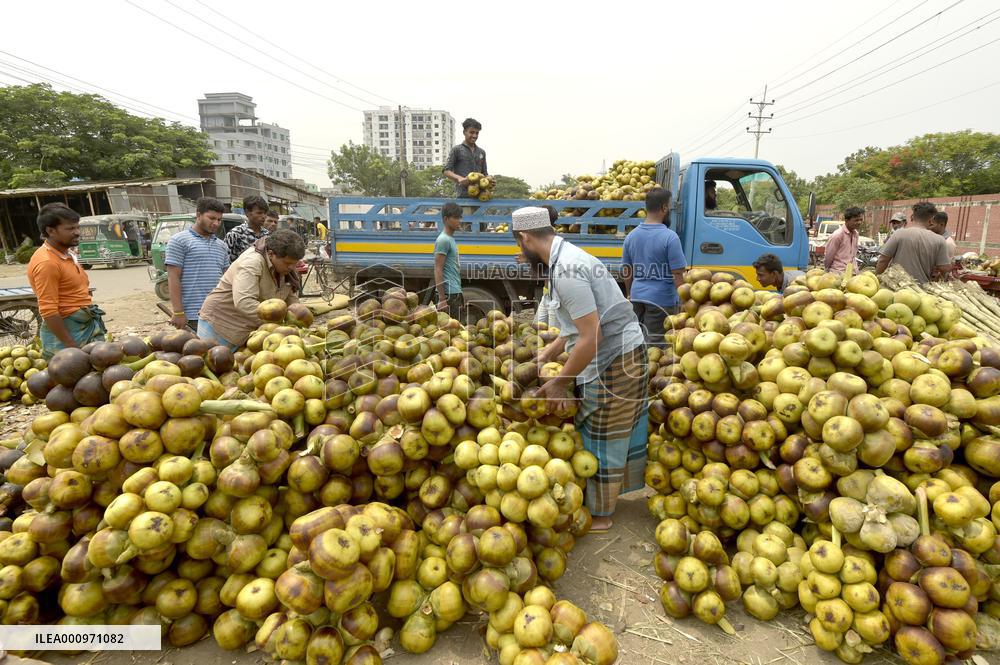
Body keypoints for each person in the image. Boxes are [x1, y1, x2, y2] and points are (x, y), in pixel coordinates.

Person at [512, 206, 647, 532]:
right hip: (613, 349)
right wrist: (547, 355)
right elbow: (579, 328)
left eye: (518, 244)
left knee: (605, 430)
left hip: (617, 356)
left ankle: (602, 514)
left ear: (525, 238)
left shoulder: (567, 270)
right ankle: (605, 501)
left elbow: (592, 335)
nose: (520, 250)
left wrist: (560, 382)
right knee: (599, 429)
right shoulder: (564, 260)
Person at [198, 230, 305, 350]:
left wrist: (299, 321)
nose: (291, 268)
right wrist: (279, 325)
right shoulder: (252, 262)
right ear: (270, 254)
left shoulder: (285, 269)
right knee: (218, 363)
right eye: (287, 263)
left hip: (250, 327)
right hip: (221, 323)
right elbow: (244, 302)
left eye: (294, 264)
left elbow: (292, 302)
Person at [27, 203, 107, 358]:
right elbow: (48, 310)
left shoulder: (68, 254)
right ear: (50, 231)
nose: (77, 232)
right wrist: (71, 346)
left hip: (84, 326)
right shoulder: (47, 263)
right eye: (70, 229)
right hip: (68, 335)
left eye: (77, 227)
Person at [621, 188, 687, 348]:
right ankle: (647, 373)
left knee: (637, 342)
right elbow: (678, 273)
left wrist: (630, 293)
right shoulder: (670, 237)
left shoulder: (632, 236)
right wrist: (684, 302)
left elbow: (627, 270)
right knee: (655, 347)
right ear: (664, 208)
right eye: (670, 207)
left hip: (637, 297)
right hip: (661, 301)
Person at [164, 197, 230, 332]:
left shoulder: (221, 245)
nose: (216, 223)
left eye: (219, 219)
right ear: (198, 215)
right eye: (211, 218)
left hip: (218, 313)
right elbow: (173, 277)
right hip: (193, 314)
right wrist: (178, 312)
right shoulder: (179, 241)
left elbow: (227, 278)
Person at [876, 202, 951, 282]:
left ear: (912, 217)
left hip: (897, 288)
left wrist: (877, 279)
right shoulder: (940, 240)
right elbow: (944, 269)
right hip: (922, 290)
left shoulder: (899, 234)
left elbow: (883, 260)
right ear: (931, 220)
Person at [443, 118, 487, 198]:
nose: (475, 136)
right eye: (472, 132)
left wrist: (490, 181)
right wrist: (459, 179)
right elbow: (446, 171)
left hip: (480, 197)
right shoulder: (457, 149)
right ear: (464, 132)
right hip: (462, 196)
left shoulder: (482, 152)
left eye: (477, 133)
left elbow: (484, 174)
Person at [434, 202, 463, 319]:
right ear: (446, 219)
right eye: (456, 218)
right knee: (451, 333)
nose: (459, 221)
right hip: (448, 295)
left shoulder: (450, 239)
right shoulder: (443, 240)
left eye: (460, 217)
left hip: (454, 292)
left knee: (456, 332)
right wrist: (442, 299)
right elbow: (438, 269)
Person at [225, 195, 270, 262]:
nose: (264, 216)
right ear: (247, 212)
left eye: (265, 213)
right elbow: (225, 262)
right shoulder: (235, 234)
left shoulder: (266, 234)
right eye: (259, 213)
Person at [824, 207, 863, 272]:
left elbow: (852, 256)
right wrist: (827, 270)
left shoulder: (856, 234)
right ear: (846, 221)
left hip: (851, 272)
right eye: (856, 220)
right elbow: (829, 256)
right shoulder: (838, 235)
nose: (859, 222)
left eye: (861, 220)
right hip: (838, 272)